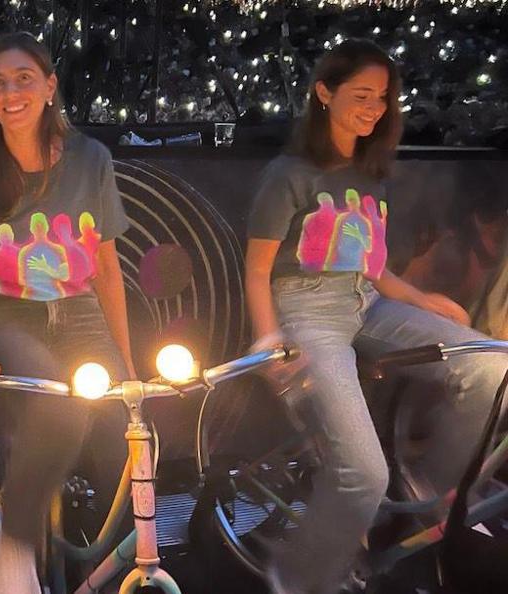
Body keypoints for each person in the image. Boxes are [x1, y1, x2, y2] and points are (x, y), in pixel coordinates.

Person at [245, 39, 507, 594]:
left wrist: (419, 299)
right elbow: (257, 270)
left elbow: (374, 267)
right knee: (362, 475)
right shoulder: (288, 175)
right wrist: (268, 336)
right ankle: (296, 578)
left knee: (493, 365)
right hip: (307, 309)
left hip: (368, 302)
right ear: (324, 93)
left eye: (382, 97)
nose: (373, 107)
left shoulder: (370, 172)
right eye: (360, 94)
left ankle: (429, 487)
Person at [0, 32, 136, 593]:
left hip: (81, 315)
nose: (11, 92)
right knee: (60, 413)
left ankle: (109, 571)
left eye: (24, 78)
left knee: (135, 429)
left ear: (50, 87)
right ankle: (14, 548)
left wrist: (128, 362)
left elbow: (105, 269)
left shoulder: (90, 160)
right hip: (11, 320)